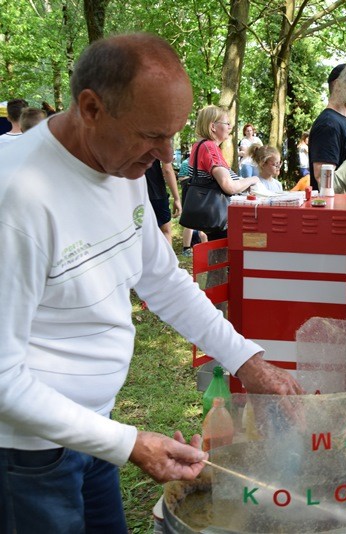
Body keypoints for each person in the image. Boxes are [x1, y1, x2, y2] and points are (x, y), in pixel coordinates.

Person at [0, 33, 302, 533]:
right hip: (27, 454)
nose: (165, 154)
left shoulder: (120, 165)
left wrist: (247, 361)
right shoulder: (18, 198)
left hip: (95, 429)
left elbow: (162, 279)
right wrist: (129, 443)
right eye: (151, 135)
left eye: (173, 135)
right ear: (91, 108)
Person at [185, 105, 259, 241]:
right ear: (213, 126)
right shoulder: (210, 147)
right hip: (222, 218)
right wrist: (253, 179)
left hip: (213, 216)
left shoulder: (198, 146)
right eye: (227, 123)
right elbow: (229, 186)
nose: (230, 127)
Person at [144, 159, 182, 242]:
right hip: (156, 193)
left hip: (132, 193)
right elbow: (167, 169)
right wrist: (177, 199)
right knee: (165, 232)